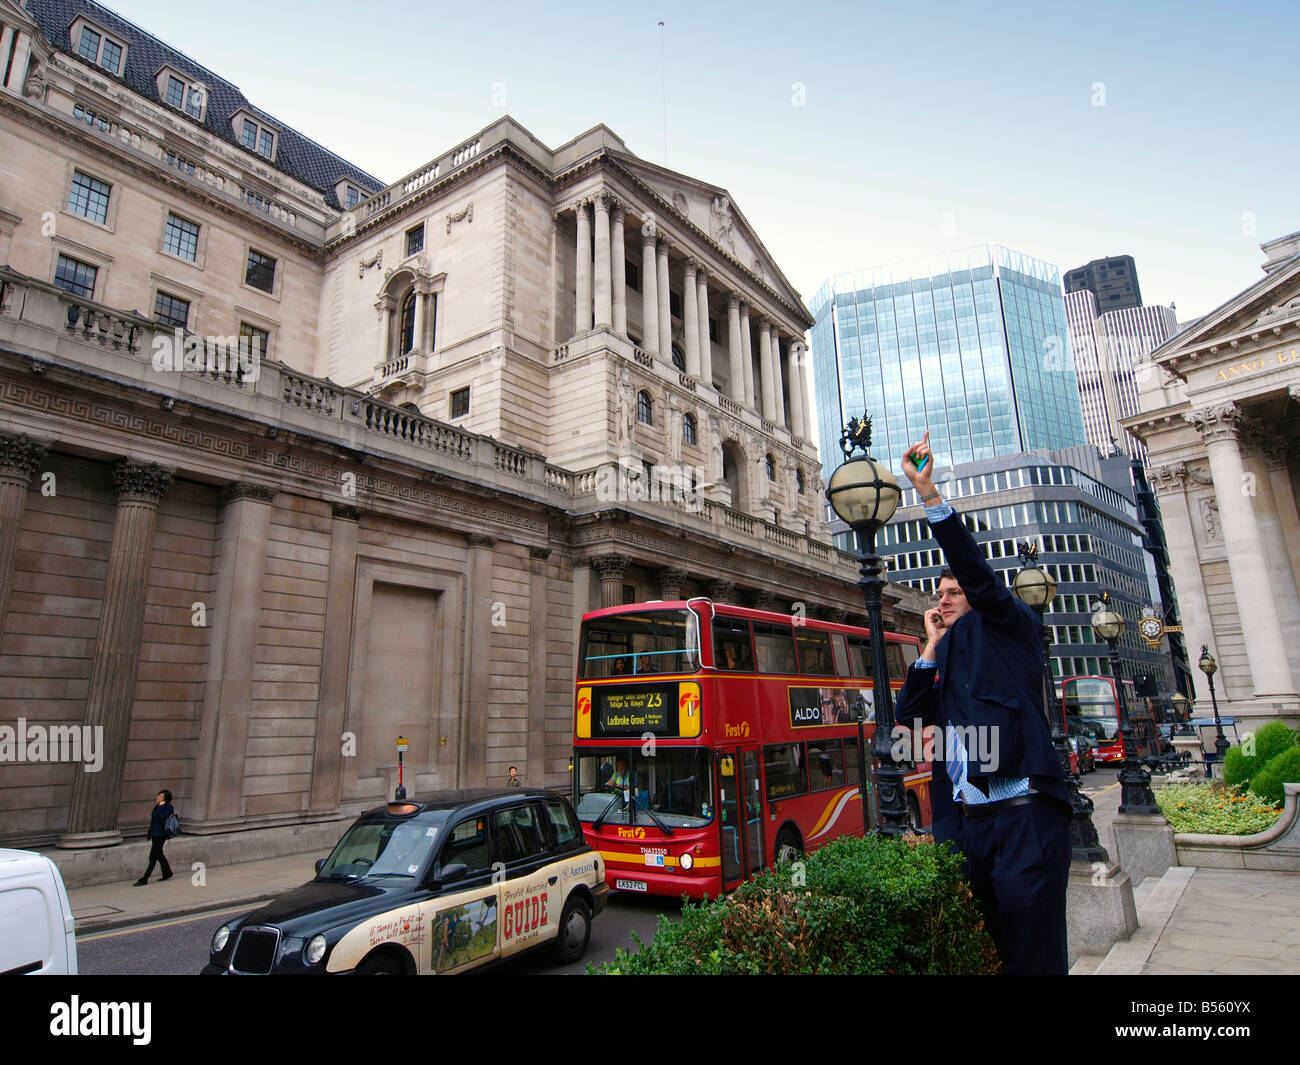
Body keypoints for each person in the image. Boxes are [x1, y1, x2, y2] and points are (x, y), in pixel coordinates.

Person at [895, 431, 1071, 975]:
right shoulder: (946, 654)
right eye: (937, 595)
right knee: (987, 954)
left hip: (1022, 817)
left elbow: (975, 571)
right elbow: (909, 719)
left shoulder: (1011, 629)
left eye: (950, 594)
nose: (940, 600)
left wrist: (929, 497)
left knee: (1031, 957)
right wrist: (929, 644)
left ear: (978, 598)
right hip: (970, 824)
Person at [135, 789, 175, 886]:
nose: (158, 798)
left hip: (161, 835)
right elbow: (154, 821)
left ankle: (145, 878)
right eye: (158, 796)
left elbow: (162, 818)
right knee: (159, 854)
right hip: (155, 834)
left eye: (161, 797)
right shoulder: (158, 806)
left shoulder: (168, 807)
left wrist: (160, 806)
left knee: (153, 857)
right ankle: (167, 872)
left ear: (165, 799)